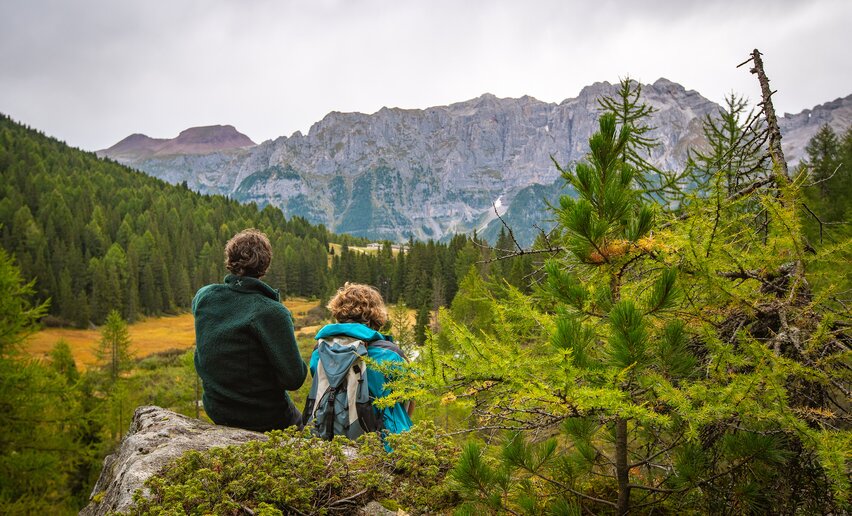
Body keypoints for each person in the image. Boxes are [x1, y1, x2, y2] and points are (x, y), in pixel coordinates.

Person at [193, 228, 307, 432]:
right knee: (307, 432)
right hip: (264, 417)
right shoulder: (272, 312)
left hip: (218, 410)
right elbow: (294, 379)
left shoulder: (204, 296)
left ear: (230, 260)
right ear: (265, 265)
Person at [309, 282, 413, 435]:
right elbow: (408, 401)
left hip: (327, 438)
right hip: (383, 445)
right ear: (376, 315)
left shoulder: (320, 351)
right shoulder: (391, 355)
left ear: (338, 311)